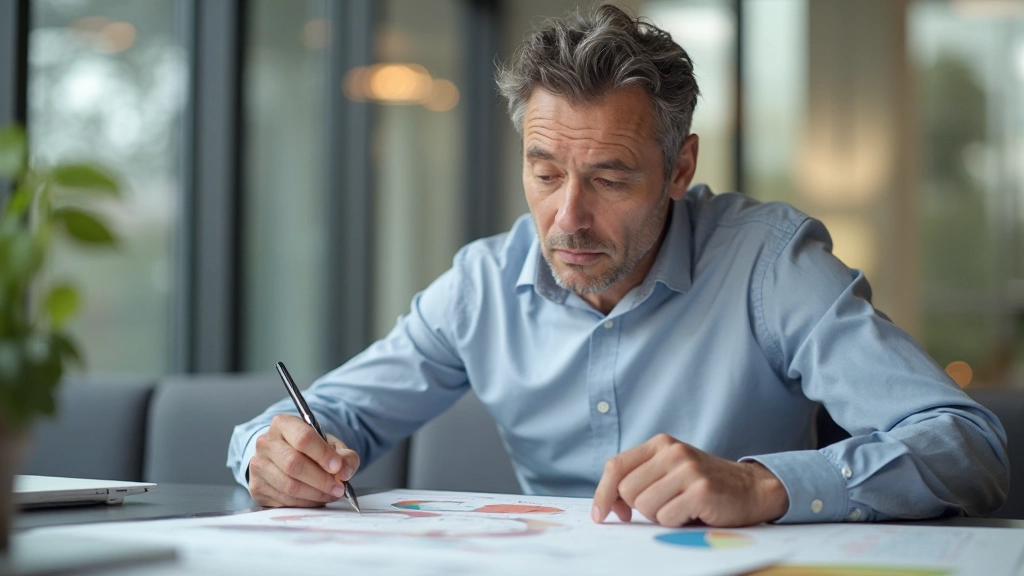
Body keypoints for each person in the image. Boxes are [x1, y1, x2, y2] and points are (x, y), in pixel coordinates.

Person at [228, 5, 1008, 527]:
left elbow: (967, 443)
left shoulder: (770, 265)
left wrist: (765, 485)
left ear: (678, 167)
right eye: (544, 172)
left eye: (609, 178)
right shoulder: (480, 287)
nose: (567, 219)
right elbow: (314, 420)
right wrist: (271, 451)